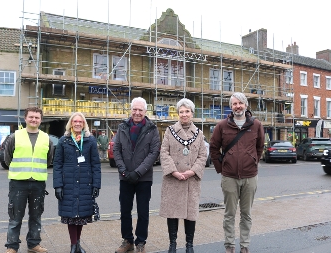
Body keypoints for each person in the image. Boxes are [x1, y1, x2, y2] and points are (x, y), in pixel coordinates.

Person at [209, 92, 264, 253]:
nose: (237, 106)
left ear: (246, 105)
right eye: (234, 104)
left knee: (246, 214)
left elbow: (259, 147)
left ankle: (245, 245)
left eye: (240, 103)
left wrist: (253, 161)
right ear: (231, 106)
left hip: (250, 177)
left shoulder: (256, 125)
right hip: (229, 177)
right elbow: (213, 148)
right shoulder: (222, 126)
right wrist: (221, 167)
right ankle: (230, 246)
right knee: (229, 214)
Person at [113, 97, 161, 253]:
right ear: (131, 110)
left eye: (140, 110)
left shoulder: (152, 129)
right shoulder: (122, 127)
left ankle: (141, 242)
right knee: (125, 210)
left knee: (143, 211)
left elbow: (154, 153)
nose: (137, 112)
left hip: (144, 178)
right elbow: (116, 150)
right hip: (125, 177)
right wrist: (124, 170)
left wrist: (138, 172)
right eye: (135, 109)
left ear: (145, 111)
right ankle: (128, 241)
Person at [159, 98, 207, 253]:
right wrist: (174, 171)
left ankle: (189, 245)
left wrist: (192, 171)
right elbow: (164, 152)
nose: (184, 114)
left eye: (187, 111)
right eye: (181, 112)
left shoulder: (199, 134)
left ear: (192, 113)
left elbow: (202, 155)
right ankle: (172, 245)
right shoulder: (169, 131)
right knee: (172, 213)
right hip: (173, 179)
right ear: (178, 113)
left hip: (190, 180)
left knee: (190, 214)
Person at [4, 107, 53, 253]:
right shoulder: (14, 136)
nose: (34, 120)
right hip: (18, 182)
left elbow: (48, 160)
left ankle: (33, 244)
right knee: (15, 217)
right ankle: (12, 246)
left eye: (37, 118)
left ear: (41, 120)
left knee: (36, 216)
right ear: (25, 118)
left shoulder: (46, 138)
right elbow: (8, 159)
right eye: (31, 117)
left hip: (38, 182)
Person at [53, 112, 101, 253]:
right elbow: (57, 164)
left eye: (80, 121)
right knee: (71, 216)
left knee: (81, 216)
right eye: (75, 121)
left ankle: (77, 245)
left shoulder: (90, 140)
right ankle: (74, 246)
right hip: (68, 183)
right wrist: (58, 185)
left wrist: (96, 185)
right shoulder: (63, 140)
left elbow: (96, 165)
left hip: (86, 183)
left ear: (84, 123)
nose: (78, 123)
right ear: (71, 123)